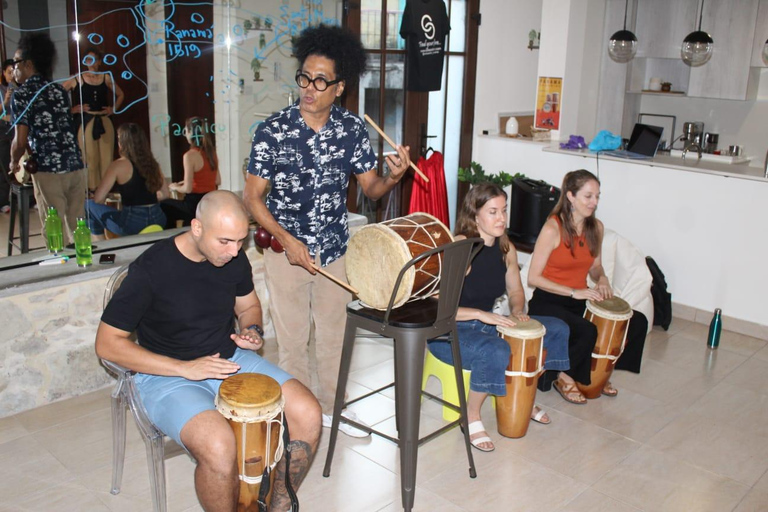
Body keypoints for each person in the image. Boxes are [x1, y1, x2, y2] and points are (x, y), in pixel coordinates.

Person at [95, 190, 321, 512]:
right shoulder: (151, 269)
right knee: (218, 445)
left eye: (240, 242)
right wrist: (185, 368)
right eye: (225, 242)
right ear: (197, 228)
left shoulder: (233, 259)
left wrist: (252, 329)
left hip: (227, 359)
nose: (234, 252)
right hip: (165, 375)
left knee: (308, 413)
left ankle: (276, 505)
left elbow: (249, 306)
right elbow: (106, 344)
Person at [243, 24, 412, 438]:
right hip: (286, 253)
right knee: (293, 340)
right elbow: (252, 198)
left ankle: (336, 409)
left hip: (335, 248)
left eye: (321, 81)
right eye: (305, 77)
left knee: (335, 336)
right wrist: (286, 240)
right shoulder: (273, 131)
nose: (309, 87)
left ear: (339, 87)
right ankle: (298, 418)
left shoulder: (352, 130)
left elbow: (370, 188)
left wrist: (392, 177)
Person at [427, 183, 571, 452]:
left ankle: (521, 395)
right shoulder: (461, 246)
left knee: (554, 329)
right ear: (475, 214)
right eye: (492, 212)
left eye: (504, 211)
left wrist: (518, 311)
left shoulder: (506, 248)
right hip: (448, 331)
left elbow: (516, 291)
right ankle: (470, 417)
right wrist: (482, 315)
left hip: (486, 325)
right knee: (496, 350)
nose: (502, 219)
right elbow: (435, 303)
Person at [527, 169, 648, 405]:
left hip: (578, 298)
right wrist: (574, 292)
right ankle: (564, 376)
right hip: (549, 299)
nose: (594, 202)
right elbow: (534, 277)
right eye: (588, 196)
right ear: (570, 196)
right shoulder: (553, 229)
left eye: (597, 197)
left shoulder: (596, 228)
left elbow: (595, 267)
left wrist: (602, 278)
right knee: (587, 331)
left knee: (636, 322)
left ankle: (599, 374)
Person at [10, 32, 85, 245]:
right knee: (77, 223)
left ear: (28, 64)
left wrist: (14, 161)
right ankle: (83, 268)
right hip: (75, 165)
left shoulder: (22, 94)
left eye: (15, 63)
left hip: (48, 169)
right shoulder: (57, 91)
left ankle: (60, 272)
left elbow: (20, 141)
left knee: (54, 227)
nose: (13, 69)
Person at [85, 123, 168, 239]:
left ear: (122, 142)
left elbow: (98, 199)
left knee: (88, 206)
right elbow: (165, 194)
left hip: (133, 223)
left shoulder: (118, 165)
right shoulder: (153, 163)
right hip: (158, 218)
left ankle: (101, 247)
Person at [63, 47, 124, 191]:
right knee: (89, 157)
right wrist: (72, 110)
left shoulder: (106, 77)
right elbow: (56, 94)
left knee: (106, 157)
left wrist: (113, 109)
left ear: (99, 62)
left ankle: (106, 189)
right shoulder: (77, 78)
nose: (91, 62)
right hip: (86, 121)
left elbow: (121, 94)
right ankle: (90, 190)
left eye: (94, 59)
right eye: (88, 59)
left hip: (104, 120)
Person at [161, 116, 220, 228]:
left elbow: (187, 189)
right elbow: (217, 180)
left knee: (164, 205)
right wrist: (183, 182)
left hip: (193, 205)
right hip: (209, 203)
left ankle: (169, 237)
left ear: (191, 133)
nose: (185, 134)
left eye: (186, 131)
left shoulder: (190, 155)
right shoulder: (211, 153)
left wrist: (175, 187)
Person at [0, 59, 16, 213]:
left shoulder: (21, 88)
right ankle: (3, 201)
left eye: (14, 72)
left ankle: (30, 200)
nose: (12, 75)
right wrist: (5, 101)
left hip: (19, 129)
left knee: (23, 164)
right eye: (9, 72)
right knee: (4, 166)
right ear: (3, 73)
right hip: (3, 130)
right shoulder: (1, 89)